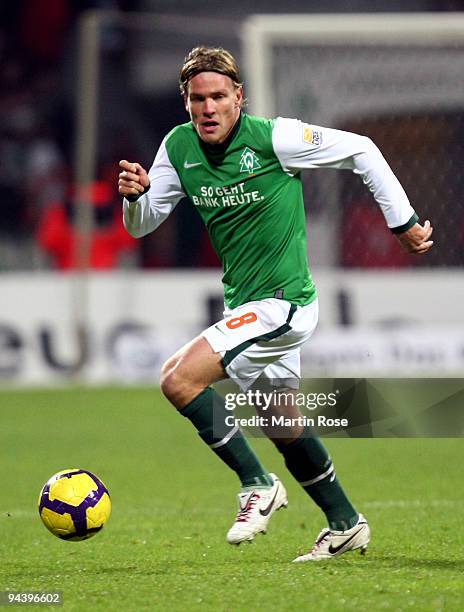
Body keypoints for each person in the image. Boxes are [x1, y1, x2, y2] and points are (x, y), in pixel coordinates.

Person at [118, 46, 433, 562]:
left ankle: (256, 484)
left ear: (239, 97)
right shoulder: (178, 148)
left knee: (177, 378)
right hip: (245, 305)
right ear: (186, 102)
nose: (208, 108)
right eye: (198, 99)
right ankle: (345, 522)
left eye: (219, 96)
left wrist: (402, 223)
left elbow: (363, 149)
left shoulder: (275, 137)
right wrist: (135, 197)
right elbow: (145, 223)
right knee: (283, 423)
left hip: (283, 306)